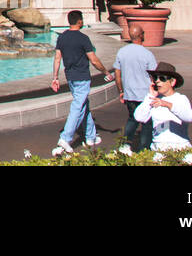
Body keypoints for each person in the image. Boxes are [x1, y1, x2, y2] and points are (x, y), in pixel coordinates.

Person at [51, 10, 109, 153]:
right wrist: (106, 72)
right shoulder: (83, 38)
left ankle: (91, 137)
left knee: (84, 105)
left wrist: (55, 77)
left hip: (70, 77)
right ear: (80, 21)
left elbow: (57, 58)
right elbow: (94, 60)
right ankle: (65, 138)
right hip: (82, 77)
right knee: (78, 106)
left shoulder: (62, 37)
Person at [111, 24, 157, 152]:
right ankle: (144, 149)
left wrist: (121, 91)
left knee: (132, 119)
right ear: (141, 35)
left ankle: (125, 145)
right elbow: (154, 77)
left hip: (130, 94)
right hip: (145, 95)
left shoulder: (122, 52)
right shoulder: (148, 54)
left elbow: (117, 74)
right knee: (147, 122)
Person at [133, 63, 192, 149]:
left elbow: (188, 117)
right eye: (155, 78)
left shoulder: (181, 99)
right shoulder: (154, 99)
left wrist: (166, 104)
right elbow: (139, 117)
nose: (157, 81)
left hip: (180, 147)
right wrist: (150, 96)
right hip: (158, 148)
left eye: (162, 78)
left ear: (172, 82)